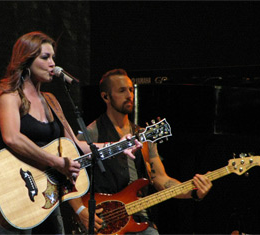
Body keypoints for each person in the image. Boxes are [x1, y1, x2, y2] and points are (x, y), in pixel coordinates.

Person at [0, 32, 141, 234]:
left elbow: (76, 146)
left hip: (46, 196)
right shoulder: (10, 96)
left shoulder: (51, 100)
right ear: (26, 60)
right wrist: (56, 162)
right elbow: (12, 137)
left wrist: (119, 146)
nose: (52, 63)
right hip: (14, 192)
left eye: (53, 57)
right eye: (45, 57)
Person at [69, 68, 213, 235]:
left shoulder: (144, 135)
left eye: (131, 89)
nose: (129, 95)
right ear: (105, 97)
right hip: (106, 221)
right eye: (122, 90)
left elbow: (160, 178)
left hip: (140, 218)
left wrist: (193, 192)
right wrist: (82, 212)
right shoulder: (90, 134)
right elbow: (70, 178)